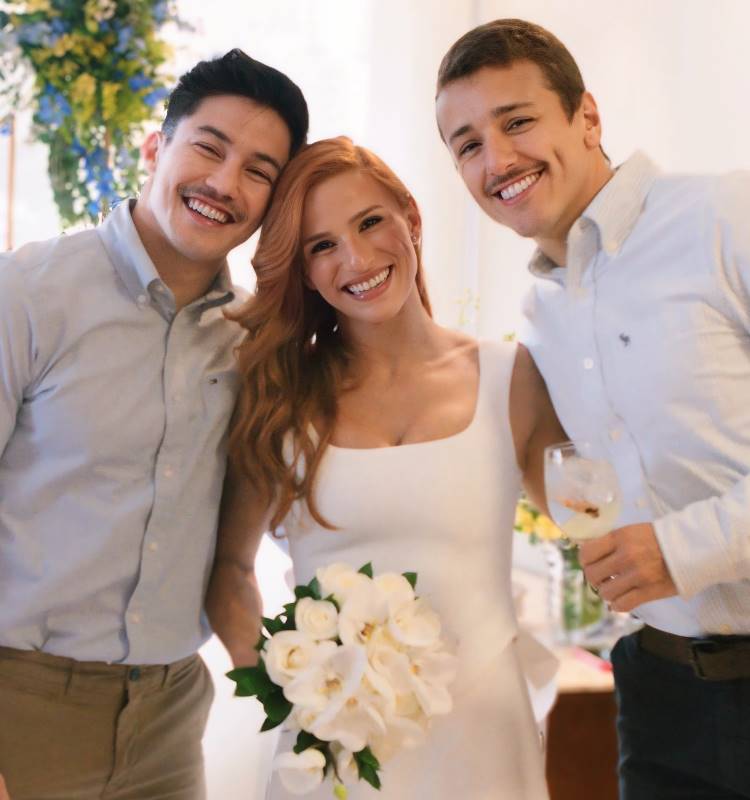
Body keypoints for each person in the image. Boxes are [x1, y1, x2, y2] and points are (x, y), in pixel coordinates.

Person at [435, 18, 750, 800]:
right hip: (659, 689)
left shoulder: (725, 216)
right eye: (467, 144)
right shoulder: (542, 312)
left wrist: (681, 548)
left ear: (587, 116)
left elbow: (668, 539)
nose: (496, 159)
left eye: (517, 122)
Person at [206, 135, 565, 799]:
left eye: (371, 222)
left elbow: (593, 523)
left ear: (412, 219)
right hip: (334, 752)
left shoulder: (510, 378)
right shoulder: (281, 397)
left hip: (484, 741)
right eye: (322, 245)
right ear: (306, 272)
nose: (358, 258)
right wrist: (289, 693)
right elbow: (229, 573)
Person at [0, 49, 308, 800]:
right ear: (155, 147)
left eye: (260, 171)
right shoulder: (28, 294)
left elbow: (234, 560)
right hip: (21, 706)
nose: (225, 184)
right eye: (209, 147)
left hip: (169, 719)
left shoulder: (251, 342)